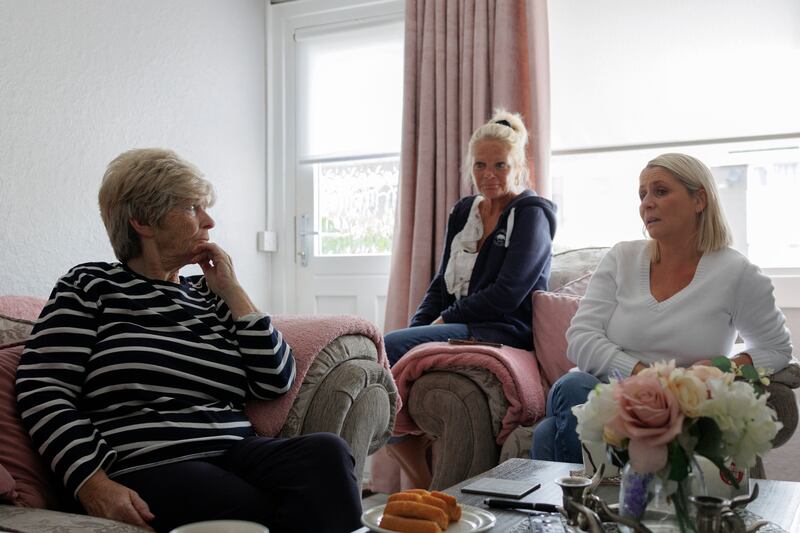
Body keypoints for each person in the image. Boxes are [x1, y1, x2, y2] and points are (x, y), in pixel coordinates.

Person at [15, 149, 362, 533]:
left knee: (326, 453)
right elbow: (42, 387)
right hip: (146, 462)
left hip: (234, 451)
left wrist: (233, 291)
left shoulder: (210, 295)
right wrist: (92, 483)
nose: (209, 221)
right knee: (236, 501)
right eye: (193, 208)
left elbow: (274, 380)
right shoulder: (90, 286)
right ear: (143, 221)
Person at [531, 152, 793, 463]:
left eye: (660, 191)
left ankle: (589, 501)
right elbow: (581, 338)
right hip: (604, 390)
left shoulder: (737, 273)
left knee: (547, 433)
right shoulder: (621, 258)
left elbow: (777, 348)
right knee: (575, 387)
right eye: (642, 195)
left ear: (699, 200)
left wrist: (723, 367)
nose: (646, 203)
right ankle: (605, 497)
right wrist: (646, 377)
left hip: (679, 408)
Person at [385, 109, 557, 488]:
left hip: (502, 328)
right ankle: (415, 464)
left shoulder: (532, 214)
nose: (488, 175)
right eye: (480, 165)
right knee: (390, 346)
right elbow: (442, 281)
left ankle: (417, 474)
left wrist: (445, 320)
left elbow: (509, 293)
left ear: (520, 166)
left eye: (500, 164)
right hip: (460, 322)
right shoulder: (465, 211)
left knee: (388, 347)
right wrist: (418, 326)